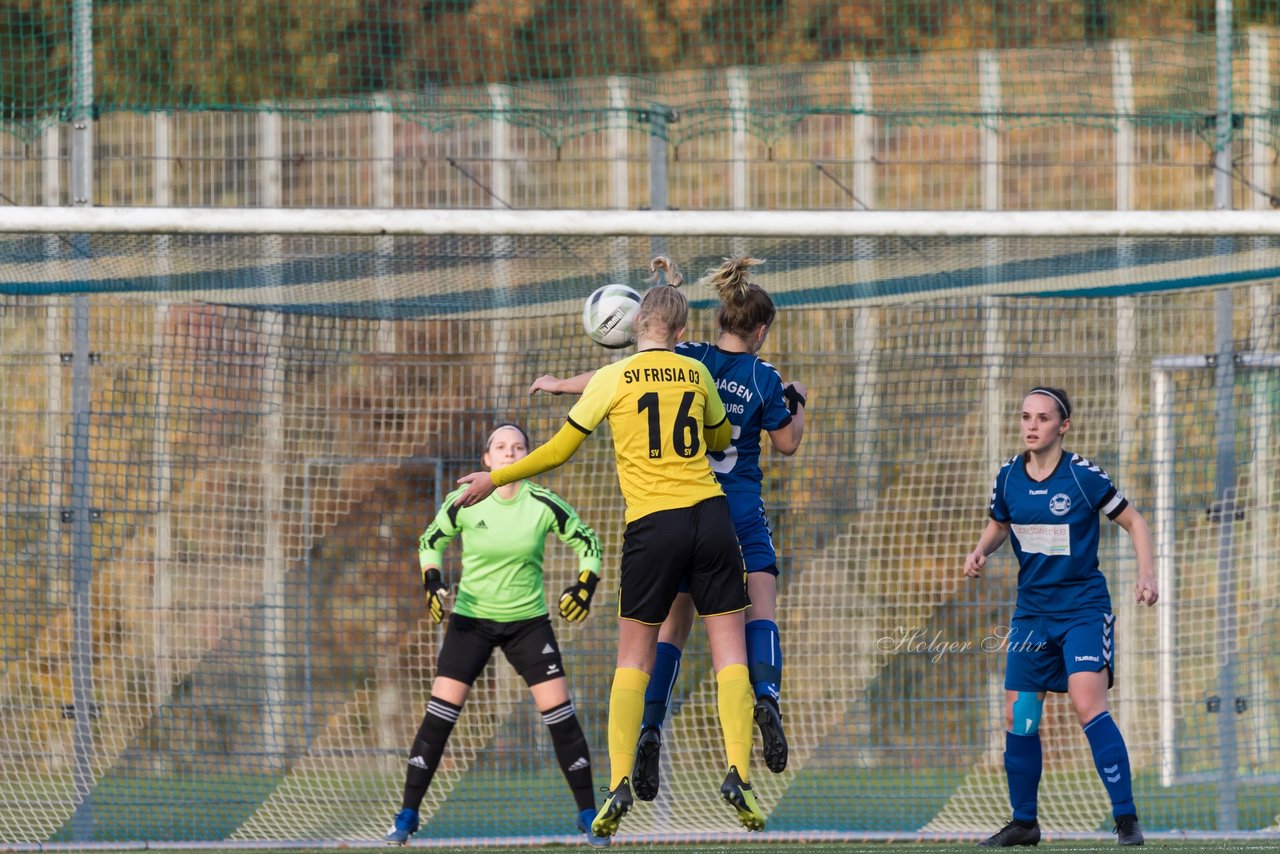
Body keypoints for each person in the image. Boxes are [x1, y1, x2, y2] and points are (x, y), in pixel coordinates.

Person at [453, 278, 767, 837]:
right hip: (712, 519)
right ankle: (738, 772)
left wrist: (493, 476)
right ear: (682, 331)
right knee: (729, 652)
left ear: (632, 328)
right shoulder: (695, 373)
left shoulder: (611, 377)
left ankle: (618, 784)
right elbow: (721, 436)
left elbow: (556, 450)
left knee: (633, 660)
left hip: (653, 527)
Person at [530, 255, 806, 802]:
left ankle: (651, 727)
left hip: (682, 506)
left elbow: (618, 376)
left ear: (718, 321)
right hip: (738, 515)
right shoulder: (765, 376)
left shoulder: (690, 357)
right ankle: (767, 697)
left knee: (668, 634)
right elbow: (788, 443)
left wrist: (563, 385)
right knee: (759, 610)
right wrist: (798, 403)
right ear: (761, 331)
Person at [384, 423, 610, 847]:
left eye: (518, 447)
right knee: (439, 718)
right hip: (470, 622)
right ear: (486, 459)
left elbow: (589, 544)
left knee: (561, 717)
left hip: (528, 623)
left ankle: (587, 815)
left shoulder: (543, 503)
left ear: (527, 456)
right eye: (500, 447)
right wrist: (432, 582)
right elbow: (430, 541)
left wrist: (585, 585)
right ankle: (408, 815)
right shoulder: (466, 499)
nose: (509, 452)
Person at [964, 387, 1158, 848]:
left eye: (1043, 418)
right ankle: (1025, 823)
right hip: (1032, 614)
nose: (1032, 425)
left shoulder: (1082, 476)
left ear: (1062, 426)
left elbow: (1136, 522)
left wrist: (1146, 575)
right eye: (1026, 416)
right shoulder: (1009, 476)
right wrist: (980, 550)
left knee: (1086, 703)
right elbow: (1000, 522)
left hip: (1082, 610)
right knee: (1021, 714)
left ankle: (1126, 819)